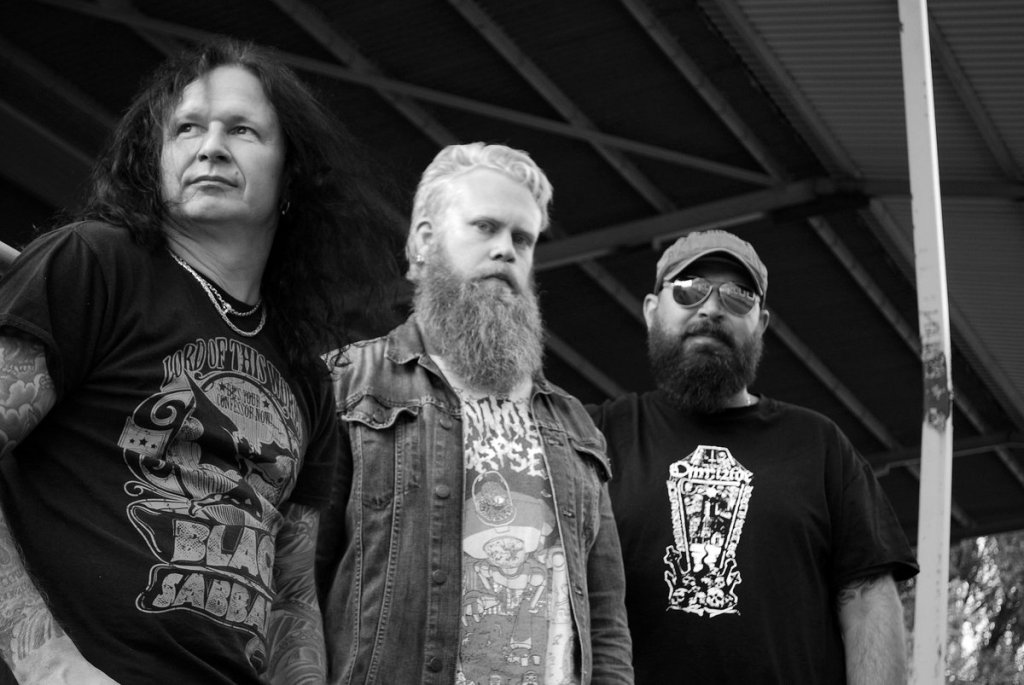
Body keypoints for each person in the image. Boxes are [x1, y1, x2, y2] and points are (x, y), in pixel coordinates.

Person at [0, 39, 398, 684]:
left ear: (292, 174)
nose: (210, 147)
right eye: (187, 128)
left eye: (242, 130)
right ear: (154, 161)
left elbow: (291, 595)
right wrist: (42, 659)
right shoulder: (94, 264)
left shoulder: (304, 374)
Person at [316, 142, 634, 684]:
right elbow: (295, 584)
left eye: (523, 239)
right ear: (424, 242)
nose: (506, 250)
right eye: (485, 227)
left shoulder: (574, 424)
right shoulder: (348, 383)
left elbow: (606, 626)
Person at [588, 230, 919, 684]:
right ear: (651, 310)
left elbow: (868, 599)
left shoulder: (819, 444)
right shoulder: (595, 435)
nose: (711, 308)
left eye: (737, 296)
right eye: (688, 289)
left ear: (761, 323)